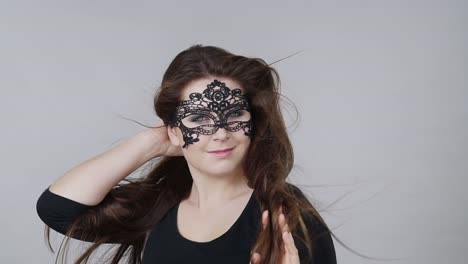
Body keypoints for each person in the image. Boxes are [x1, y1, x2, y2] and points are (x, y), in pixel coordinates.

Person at [36, 44, 337, 264]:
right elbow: (58, 209)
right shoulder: (159, 207)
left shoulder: (282, 212)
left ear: (252, 123)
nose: (221, 132)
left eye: (234, 115)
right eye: (199, 119)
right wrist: (152, 143)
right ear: (175, 131)